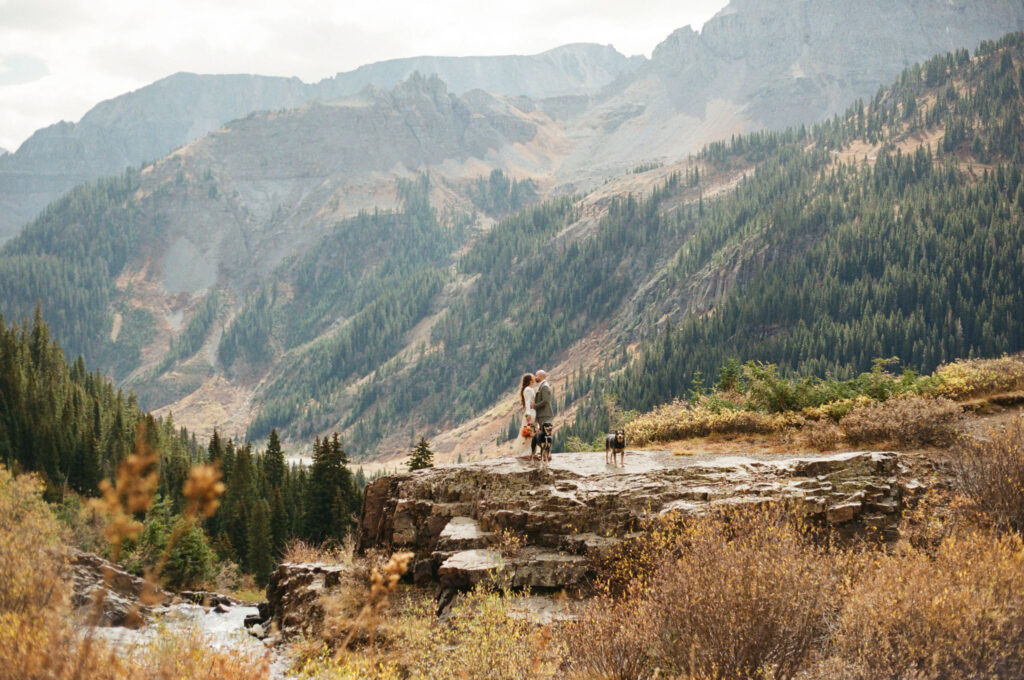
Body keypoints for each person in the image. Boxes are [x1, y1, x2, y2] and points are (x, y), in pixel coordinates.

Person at [517, 373, 536, 456]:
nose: (535, 378)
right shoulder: (528, 389)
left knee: (533, 430)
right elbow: (527, 402)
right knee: (530, 431)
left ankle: (532, 450)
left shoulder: (529, 389)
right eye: (533, 377)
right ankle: (527, 451)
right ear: (530, 380)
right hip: (530, 412)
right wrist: (528, 414)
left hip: (533, 411)